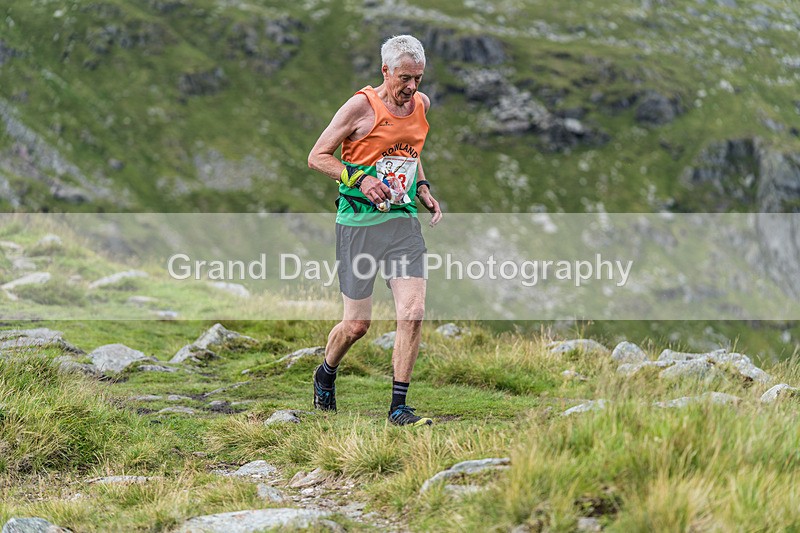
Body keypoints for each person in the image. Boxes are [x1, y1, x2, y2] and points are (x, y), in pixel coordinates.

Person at [307, 34, 443, 426]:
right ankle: (326, 373)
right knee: (357, 325)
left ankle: (399, 407)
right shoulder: (359, 108)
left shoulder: (421, 105)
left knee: (413, 311)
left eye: (418, 77)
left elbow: (412, 152)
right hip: (358, 224)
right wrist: (360, 178)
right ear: (385, 71)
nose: (412, 86)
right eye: (404, 78)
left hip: (401, 222)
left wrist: (422, 188)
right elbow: (317, 157)